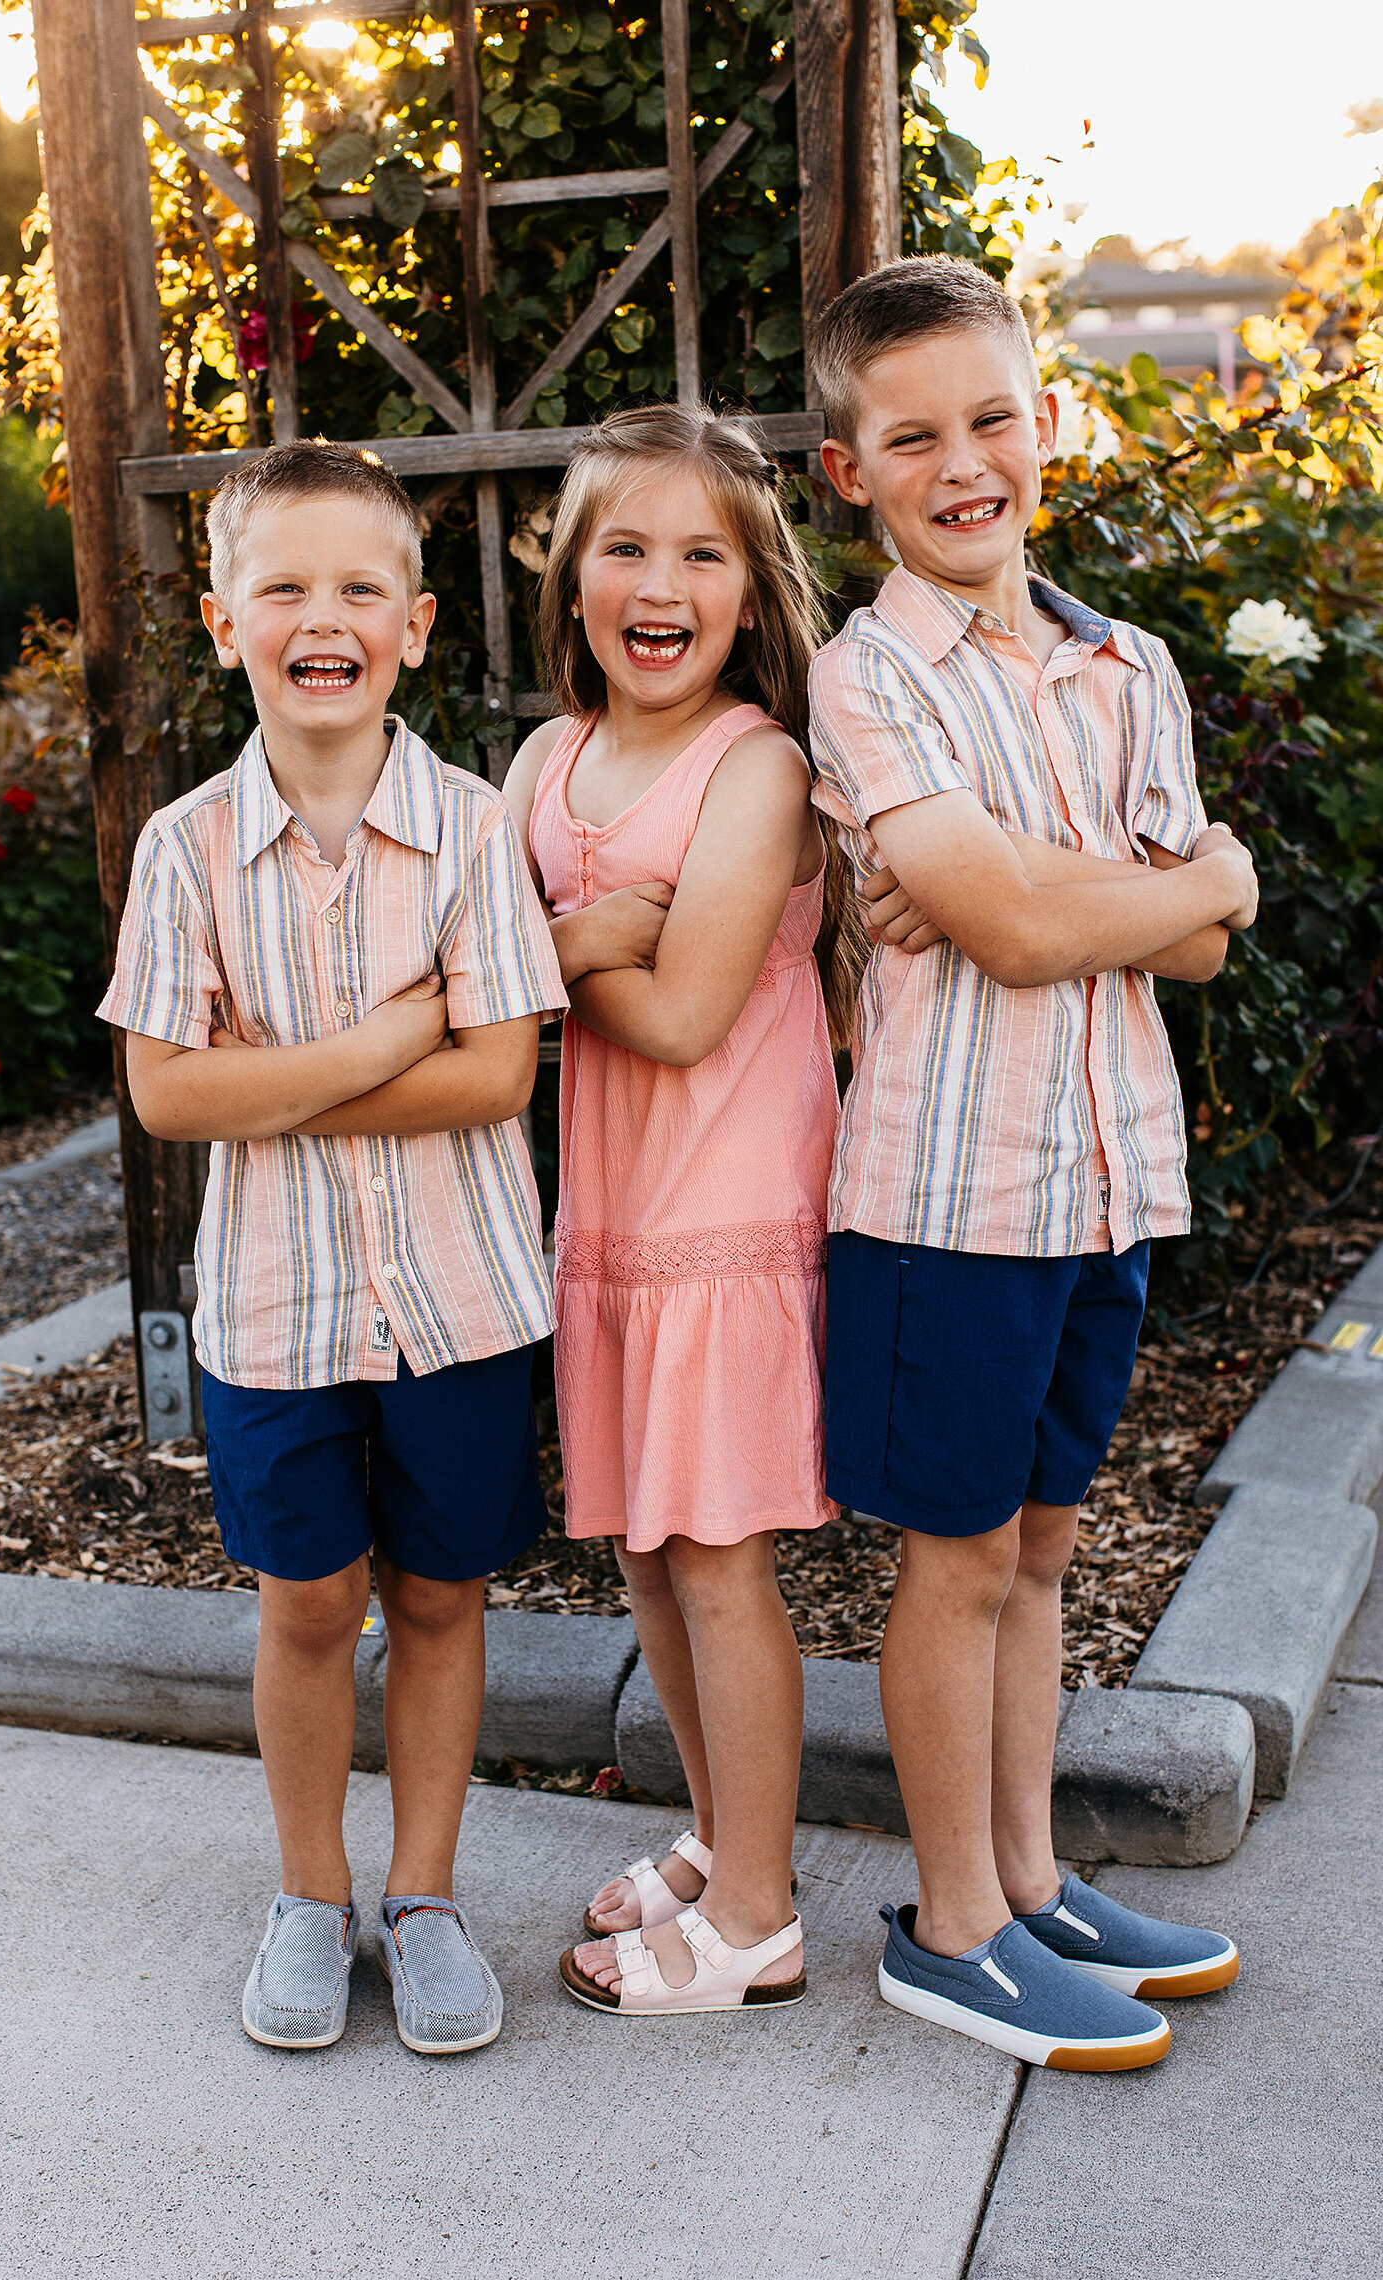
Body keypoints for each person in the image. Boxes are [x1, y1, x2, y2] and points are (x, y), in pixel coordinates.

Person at [803, 256, 1251, 2071]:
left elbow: (1184, 948)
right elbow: (1006, 929)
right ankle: (952, 1928)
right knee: (962, 1559)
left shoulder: (1124, 663)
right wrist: (1183, 882)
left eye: (993, 418)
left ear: (1046, 422)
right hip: (950, 1198)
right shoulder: (870, 677)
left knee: (1049, 1547)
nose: (963, 462)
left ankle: (1035, 1876)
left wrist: (1136, 908)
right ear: (853, 473)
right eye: (914, 437)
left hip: (1106, 1177)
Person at [97, 440, 565, 2057]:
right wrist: (389, 1038)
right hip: (278, 1316)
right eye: (282, 585)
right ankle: (311, 1895)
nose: (323, 615)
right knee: (306, 1607)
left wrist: (269, 1081)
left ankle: (422, 1896)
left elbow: (498, 1074)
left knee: (439, 1598)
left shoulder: (475, 827)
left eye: (360, 586)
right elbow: (167, 1093)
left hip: (463, 1297)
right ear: (225, 622)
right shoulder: (182, 852)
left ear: (419, 625)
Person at [503, 404, 861, 2018]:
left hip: (727, 1213)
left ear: (748, 586)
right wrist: (599, 933)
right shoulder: (544, 759)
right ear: (571, 576)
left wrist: (567, 950)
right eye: (624, 547)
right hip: (616, 1221)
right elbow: (483, 972)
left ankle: (761, 1920)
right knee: (648, 1554)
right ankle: (723, 1838)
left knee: (720, 1562)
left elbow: (685, 1013)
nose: (660, 581)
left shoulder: (759, 766)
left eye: (700, 552)